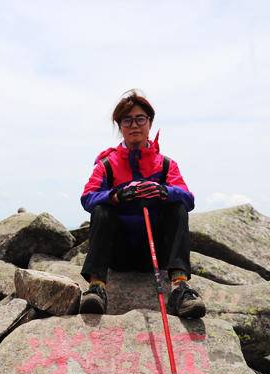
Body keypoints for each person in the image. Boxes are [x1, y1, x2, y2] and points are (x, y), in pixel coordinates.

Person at [79, 90, 206, 318]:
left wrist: (164, 192)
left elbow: (188, 199)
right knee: (102, 210)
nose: (134, 125)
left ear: (150, 123)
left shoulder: (166, 165)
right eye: (127, 120)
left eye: (140, 119)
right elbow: (88, 198)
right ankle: (97, 286)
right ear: (120, 126)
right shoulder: (107, 165)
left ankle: (179, 287)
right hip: (119, 253)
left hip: (156, 252)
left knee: (177, 208)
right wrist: (116, 196)